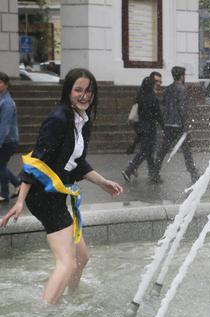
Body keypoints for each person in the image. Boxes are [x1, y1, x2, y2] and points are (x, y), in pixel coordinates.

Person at [0, 68, 124, 304]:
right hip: (41, 195)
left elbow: (76, 164)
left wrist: (103, 182)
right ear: (68, 91)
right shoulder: (58, 119)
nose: (84, 95)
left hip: (57, 194)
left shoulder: (83, 121)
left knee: (82, 257)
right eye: (78, 90)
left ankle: (70, 300)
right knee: (66, 263)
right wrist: (19, 201)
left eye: (88, 91)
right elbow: (36, 161)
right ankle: (45, 313)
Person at [153, 66, 199, 183]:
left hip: (168, 124)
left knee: (163, 150)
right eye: (184, 75)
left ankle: (155, 173)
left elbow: (163, 104)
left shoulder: (168, 89)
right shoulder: (182, 89)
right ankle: (193, 173)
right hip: (179, 125)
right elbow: (182, 108)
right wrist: (186, 126)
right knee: (187, 151)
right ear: (182, 76)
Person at [122, 74, 164, 183]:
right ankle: (129, 169)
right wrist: (164, 126)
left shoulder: (139, 96)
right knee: (146, 151)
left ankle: (153, 175)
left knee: (149, 152)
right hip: (150, 128)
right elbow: (158, 114)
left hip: (141, 127)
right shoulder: (152, 98)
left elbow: (138, 114)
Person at [0, 72, 22, 203]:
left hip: (7, 140)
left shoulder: (7, 103)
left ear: (6, 84)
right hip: (5, 139)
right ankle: (18, 183)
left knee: (0, 166)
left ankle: (4, 193)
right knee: (1, 166)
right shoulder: (2, 99)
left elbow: (5, 125)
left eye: (0, 82)